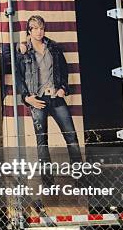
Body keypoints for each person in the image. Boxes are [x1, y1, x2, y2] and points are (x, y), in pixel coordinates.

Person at [16, 15, 82, 170]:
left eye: (41, 28)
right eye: (35, 28)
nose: (39, 32)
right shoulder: (24, 51)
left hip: (55, 96)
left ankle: (80, 177)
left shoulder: (54, 47)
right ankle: (47, 183)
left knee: (71, 137)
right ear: (29, 31)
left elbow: (64, 69)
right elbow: (18, 77)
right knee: (42, 142)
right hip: (37, 99)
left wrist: (63, 89)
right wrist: (27, 98)